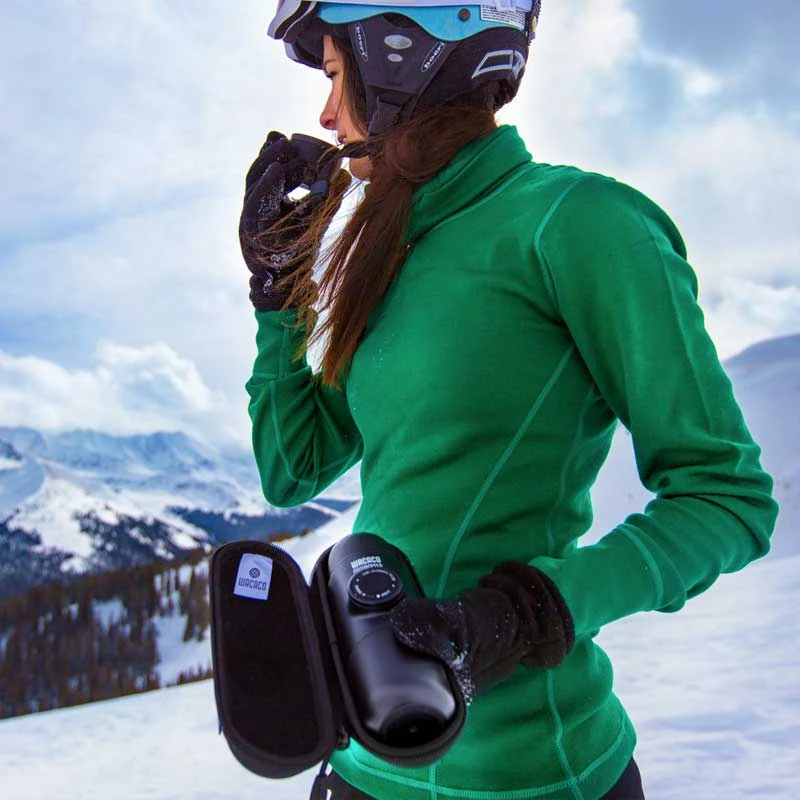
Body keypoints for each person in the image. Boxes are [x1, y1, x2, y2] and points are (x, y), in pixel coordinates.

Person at [239, 2, 779, 798]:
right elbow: (293, 469)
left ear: (399, 51)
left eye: (333, 73)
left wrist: (533, 611)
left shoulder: (577, 222)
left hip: (532, 775)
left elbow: (727, 497)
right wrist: (279, 293)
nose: (324, 114)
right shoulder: (389, 252)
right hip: (367, 756)